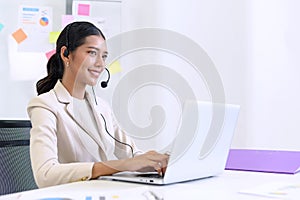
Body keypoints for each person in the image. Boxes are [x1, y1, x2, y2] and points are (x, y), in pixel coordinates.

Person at [27, 21, 169, 188]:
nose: (100, 64)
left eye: (104, 56)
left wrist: (156, 161)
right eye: (92, 53)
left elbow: (131, 154)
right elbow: (45, 175)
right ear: (66, 54)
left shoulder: (101, 107)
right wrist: (117, 166)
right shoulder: (45, 105)